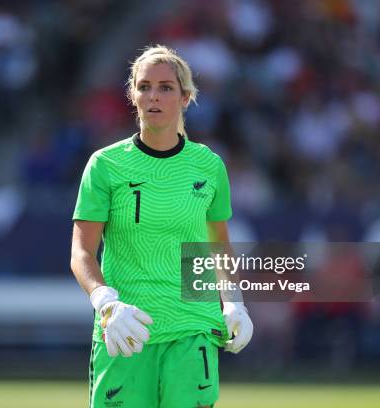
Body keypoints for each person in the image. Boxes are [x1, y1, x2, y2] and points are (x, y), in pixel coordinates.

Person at [71, 45, 253, 408]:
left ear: (186, 98)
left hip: (193, 329)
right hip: (125, 330)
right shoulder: (105, 165)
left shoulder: (209, 166)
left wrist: (234, 302)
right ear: (132, 95)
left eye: (166, 87)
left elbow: (218, 247)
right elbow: (81, 252)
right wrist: (106, 304)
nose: (154, 96)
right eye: (144, 86)